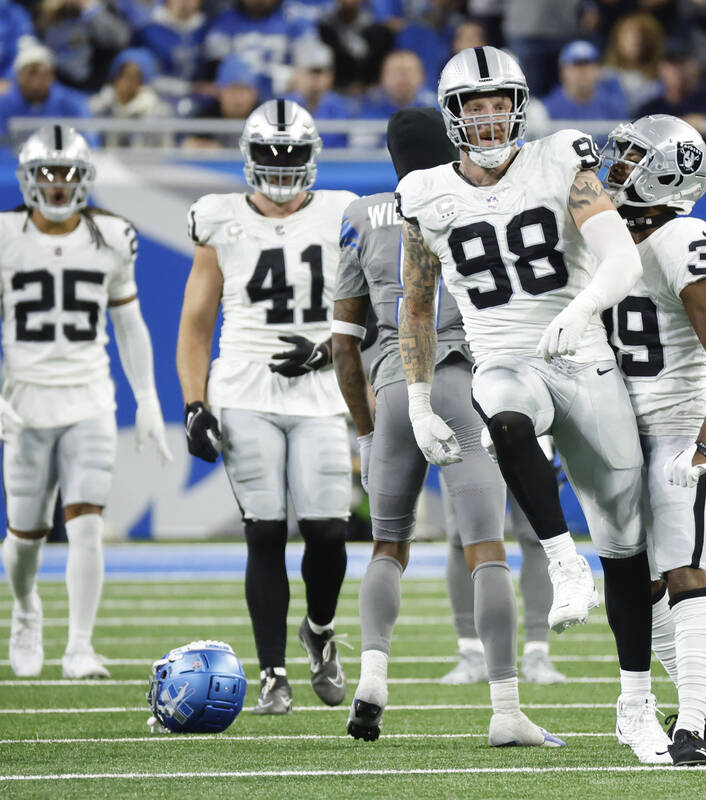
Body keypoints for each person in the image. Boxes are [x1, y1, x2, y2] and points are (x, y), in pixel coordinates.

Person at [395, 46, 666, 764]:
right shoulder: (423, 194)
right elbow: (417, 312)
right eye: (473, 105)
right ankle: (559, 558)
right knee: (503, 413)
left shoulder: (560, 159)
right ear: (453, 115)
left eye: (498, 102)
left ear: (517, 103)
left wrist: (583, 310)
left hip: (586, 360)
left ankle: (637, 707)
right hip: (508, 362)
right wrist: (420, 402)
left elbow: (621, 257)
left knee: (629, 547)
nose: (488, 118)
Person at [331, 106, 563, 746]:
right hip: (468, 381)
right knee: (487, 552)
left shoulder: (357, 216)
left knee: (388, 546)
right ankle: (507, 710)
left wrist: (367, 431)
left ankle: (373, 674)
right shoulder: (486, 199)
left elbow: (342, 345)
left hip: (395, 389)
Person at [176, 99, 357, 716]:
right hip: (246, 385)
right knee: (266, 532)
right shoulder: (219, 218)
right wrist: (194, 403)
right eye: (270, 157)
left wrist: (327, 348)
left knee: (330, 530)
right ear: (248, 159)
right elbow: (196, 325)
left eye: (293, 156)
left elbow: (371, 312)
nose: (281, 169)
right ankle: (272, 672)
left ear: (313, 158)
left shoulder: (342, 213)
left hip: (321, 387)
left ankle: (321, 630)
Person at [599, 114, 706, 766]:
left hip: (672, 433)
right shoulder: (602, 235)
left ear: (667, 171)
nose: (616, 163)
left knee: (685, 573)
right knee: (638, 585)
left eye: (633, 155)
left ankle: (689, 725)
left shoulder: (686, 238)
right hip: (614, 436)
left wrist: (704, 449)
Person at [2, 124, 170, 679]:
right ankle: (26, 609)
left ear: (84, 178)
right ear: (28, 178)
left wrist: (146, 399)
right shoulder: (5, 236)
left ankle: (79, 646)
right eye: (46, 173)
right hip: (24, 401)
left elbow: (130, 324)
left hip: (90, 398)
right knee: (25, 536)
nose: (56, 184)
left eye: (67, 173)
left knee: (87, 522)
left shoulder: (112, 236)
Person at [440, 482, 567, 686]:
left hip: (531, 449)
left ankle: (537, 651)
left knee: (538, 534)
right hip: (471, 449)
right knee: (461, 535)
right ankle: (471, 652)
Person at [0, 42, 92, 148]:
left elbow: (89, 142)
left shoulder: (73, 103)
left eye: (43, 72)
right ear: (18, 76)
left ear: (52, 76)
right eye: (31, 73)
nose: (37, 79)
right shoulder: (3, 105)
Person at [543, 39, 628, 121]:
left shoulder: (612, 107)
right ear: (563, 71)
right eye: (576, 65)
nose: (582, 71)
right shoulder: (546, 109)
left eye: (587, 65)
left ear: (597, 69)